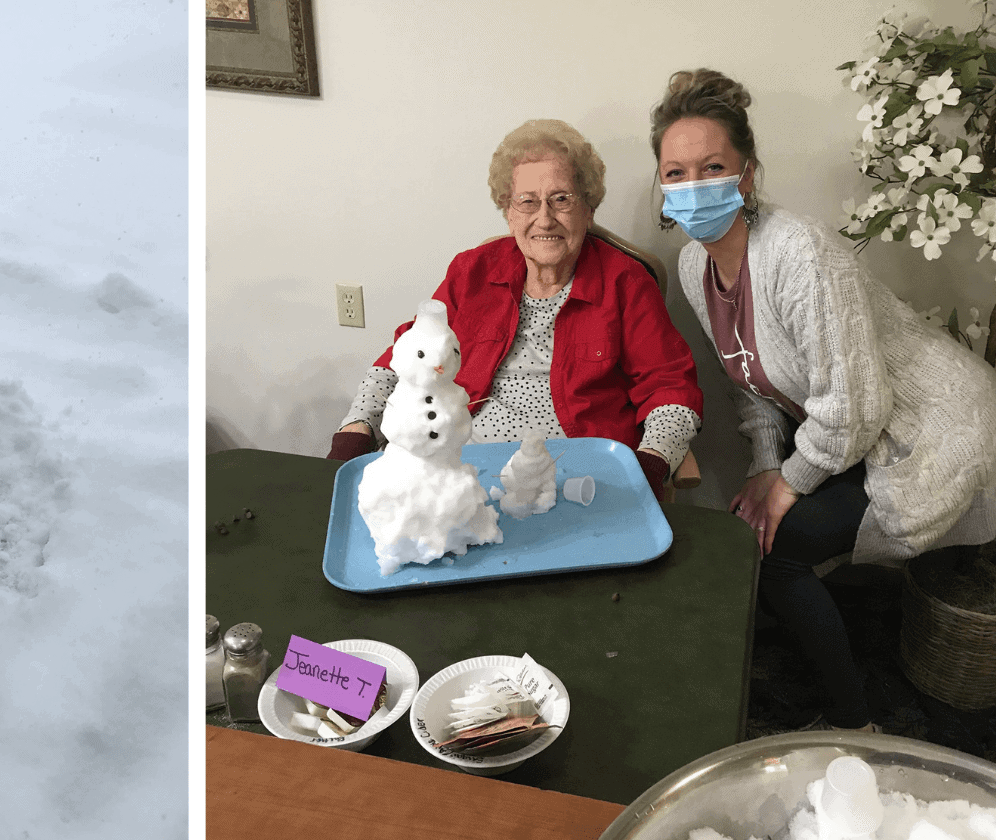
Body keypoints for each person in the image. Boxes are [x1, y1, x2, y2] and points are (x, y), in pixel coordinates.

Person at [650, 68, 996, 732]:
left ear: (747, 174)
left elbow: (857, 404)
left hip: (932, 428)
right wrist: (761, 465)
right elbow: (745, 382)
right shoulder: (697, 266)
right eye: (676, 172)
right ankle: (826, 666)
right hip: (855, 426)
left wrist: (790, 481)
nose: (694, 187)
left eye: (713, 166)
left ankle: (854, 724)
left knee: (779, 548)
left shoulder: (799, 255)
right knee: (759, 527)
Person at [329, 119, 704, 503]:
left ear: (588, 209)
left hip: (580, 479)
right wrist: (357, 428)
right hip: (461, 468)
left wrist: (652, 464)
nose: (544, 218)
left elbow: (670, 389)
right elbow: (407, 356)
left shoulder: (625, 282)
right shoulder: (471, 272)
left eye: (562, 199)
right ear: (508, 212)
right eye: (527, 201)